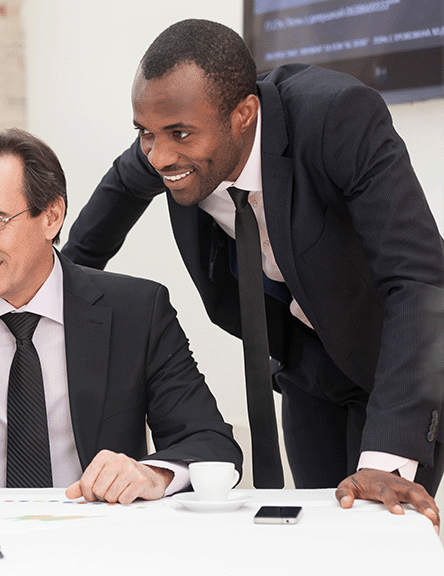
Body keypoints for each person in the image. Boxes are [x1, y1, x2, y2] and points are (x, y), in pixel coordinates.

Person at [61, 19, 443, 526]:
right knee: (318, 526)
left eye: (178, 134)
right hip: (306, 359)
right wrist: (57, 289)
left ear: (244, 114)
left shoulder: (337, 117)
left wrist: (384, 458)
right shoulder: (165, 145)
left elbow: (418, 279)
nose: (159, 156)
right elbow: (118, 192)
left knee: (377, 529)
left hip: (394, 358)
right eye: (145, 134)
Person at [0, 128, 242, 502]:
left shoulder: (137, 311)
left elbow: (209, 443)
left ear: (51, 216)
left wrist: (153, 474)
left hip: (92, 533)